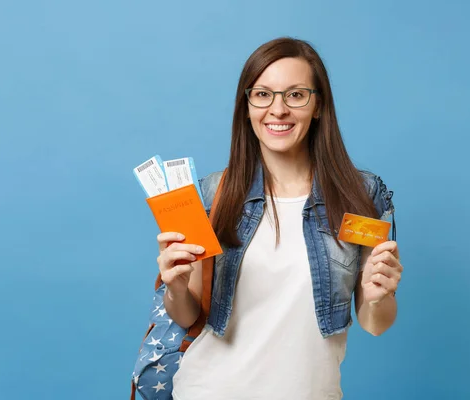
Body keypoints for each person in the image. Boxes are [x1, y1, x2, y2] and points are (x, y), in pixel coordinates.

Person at [155, 37, 403, 400]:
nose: (278, 109)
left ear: (318, 105)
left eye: (296, 95)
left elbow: (374, 323)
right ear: (247, 105)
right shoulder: (212, 195)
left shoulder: (361, 195)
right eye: (263, 94)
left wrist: (380, 296)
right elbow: (187, 315)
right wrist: (174, 286)